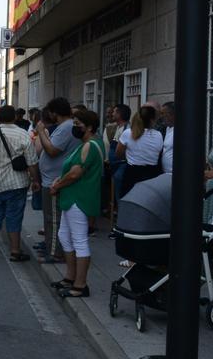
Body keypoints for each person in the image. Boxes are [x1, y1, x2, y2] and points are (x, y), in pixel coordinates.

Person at [49, 110, 105, 297]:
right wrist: (61, 181)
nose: (75, 127)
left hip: (79, 198)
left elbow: (76, 173)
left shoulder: (89, 146)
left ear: (89, 127)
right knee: (65, 236)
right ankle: (70, 277)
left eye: (78, 123)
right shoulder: (86, 145)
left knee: (79, 240)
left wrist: (58, 185)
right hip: (72, 197)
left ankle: (80, 285)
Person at [0, 105, 41, 262]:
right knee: (14, 217)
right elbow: (32, 161)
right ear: (14, 117)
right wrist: (35, 180)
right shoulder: (23, 135)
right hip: (17, 183)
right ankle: (15, 251)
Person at [36, 97, 81, 264]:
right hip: (51, 179)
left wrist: (41, 131)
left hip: (54, 181)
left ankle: (55, 252)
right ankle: (50, 245)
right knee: (50, 217)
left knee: (53, 218)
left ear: (55, 112)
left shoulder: (66, 127)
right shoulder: (64, 127)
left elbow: (52, 150)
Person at [117, 106, 164, 197]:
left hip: (132, 173)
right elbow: (158, 152)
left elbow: (118, 153)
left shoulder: (127, 133)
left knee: (129, 199)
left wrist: (129, 156)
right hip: (152, 173)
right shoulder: (158, 135)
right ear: (153, 120)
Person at [109, 104, 131, 199]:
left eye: (114, 111)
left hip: (121, 165)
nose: (112, 114)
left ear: (119, 114)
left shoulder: (128, 129)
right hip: (114, 165)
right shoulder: (117, 127)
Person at [160, 102, 175, 174]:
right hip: (166, 173)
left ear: (172, 114)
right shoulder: (167, 128)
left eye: (163, 113)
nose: (161, 116)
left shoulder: (182, 131)